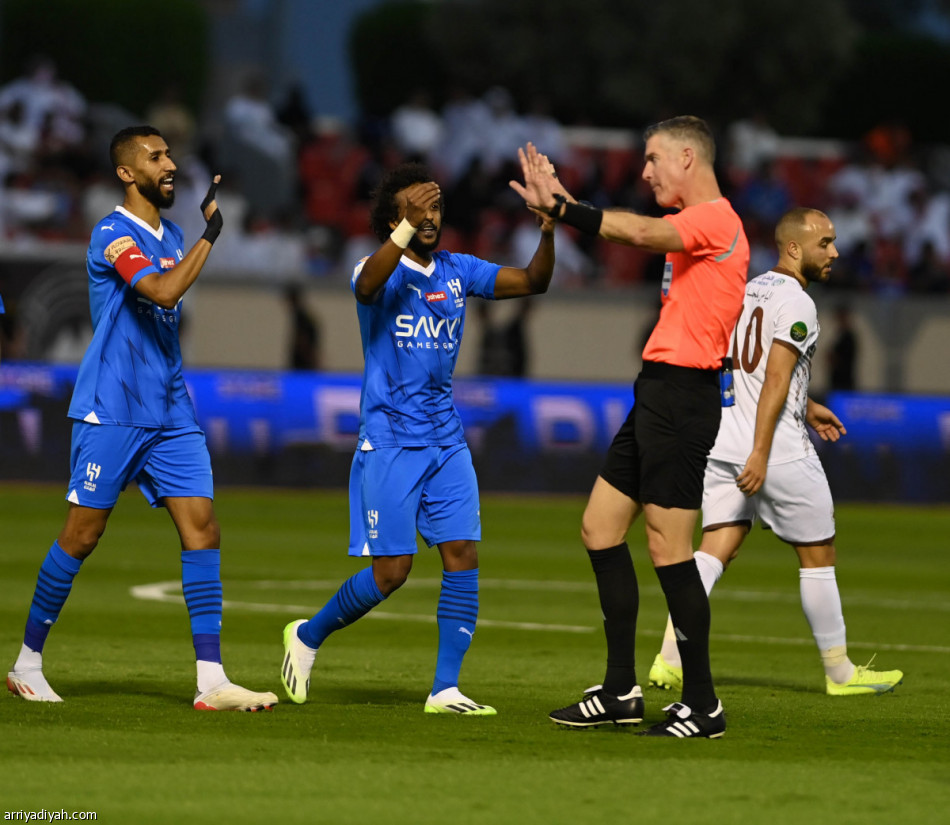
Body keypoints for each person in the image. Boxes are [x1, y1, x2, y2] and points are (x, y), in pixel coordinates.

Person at [6, 126, 278, 712]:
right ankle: (27, 664)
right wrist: (213, 236)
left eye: (170, 154)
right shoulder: (112, 234)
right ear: (128, 173)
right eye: (156, 157)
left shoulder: (173, 232)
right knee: (82, 535)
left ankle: (212, 680)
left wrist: (198, 237)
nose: (170, 164)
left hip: (170, 408)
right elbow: (158, 291)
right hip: (112, 409)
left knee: (202, 526)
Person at [280, 161, 556, 714]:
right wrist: (402, 228)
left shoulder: (458, 270)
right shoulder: (377, 269)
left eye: (433, 206)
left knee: (462, 554)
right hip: (388, 440)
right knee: (392, 573)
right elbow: (364, 286)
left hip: (445, 439)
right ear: (392, 220)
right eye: (414, 208)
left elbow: (531, 281)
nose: (428, 216)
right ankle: (307, 636)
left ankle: (445, 689)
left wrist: (548, 228)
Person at [510, 116, 749, 738]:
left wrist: (565, 206)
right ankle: (620, 691)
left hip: (682, 397)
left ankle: (703, 702)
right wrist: (562, 210)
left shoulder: (716, 219)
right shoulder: (697, 228)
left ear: (688, 158)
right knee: (599, 528)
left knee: (670, 549)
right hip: (657, 392)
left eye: (653, 159)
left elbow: (640, 232)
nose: (645, 171)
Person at [649, 209, 903, 697]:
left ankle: (668, 659)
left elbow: (744, 368)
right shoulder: (798, 303)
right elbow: (775, 378)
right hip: (772, 448)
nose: (833, 252)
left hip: (723, 440)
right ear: (793, 248)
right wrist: (763, 452)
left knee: (715, 547)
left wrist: (806, 406)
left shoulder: (745, 291)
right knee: (818, 553)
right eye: (825, 243)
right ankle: (840, 673)